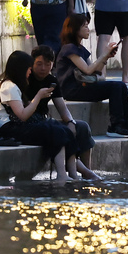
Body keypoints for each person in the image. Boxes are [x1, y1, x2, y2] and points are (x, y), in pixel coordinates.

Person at [54, 13, 128, 138]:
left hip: (84, 86)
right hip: (72, 89)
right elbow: (88, 70)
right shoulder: (69, 48)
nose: (88, 29)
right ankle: (115, 126)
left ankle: (127, 124)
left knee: (121, 86)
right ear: (74, 29)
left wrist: (107, 56)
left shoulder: (80, 48)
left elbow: (96, 71)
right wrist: (104, 53)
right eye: (84, 26)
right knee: (115, 87)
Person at [0, 50, 72, 182]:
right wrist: (38, 96)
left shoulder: (16, 86)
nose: (30, 72)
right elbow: (23, 115)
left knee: (59, 129)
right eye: (28, 69)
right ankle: (62, 174)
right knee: (53, 131)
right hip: (7, 129)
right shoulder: (8, 87)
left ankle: (68, 173)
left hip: (16, 126)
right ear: (20, 69)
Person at [32, 45, 99, 181]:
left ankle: (87, 171)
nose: (43, 68)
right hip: (34, 122)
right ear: (32, 63)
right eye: (39, 64)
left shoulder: (51, 80)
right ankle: (83, 172)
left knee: (82, 127)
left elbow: (62, 108)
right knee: (61, 131)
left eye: (47, 64)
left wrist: (70, 121)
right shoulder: (27, 79)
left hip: (45, 121)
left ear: (53, 65)